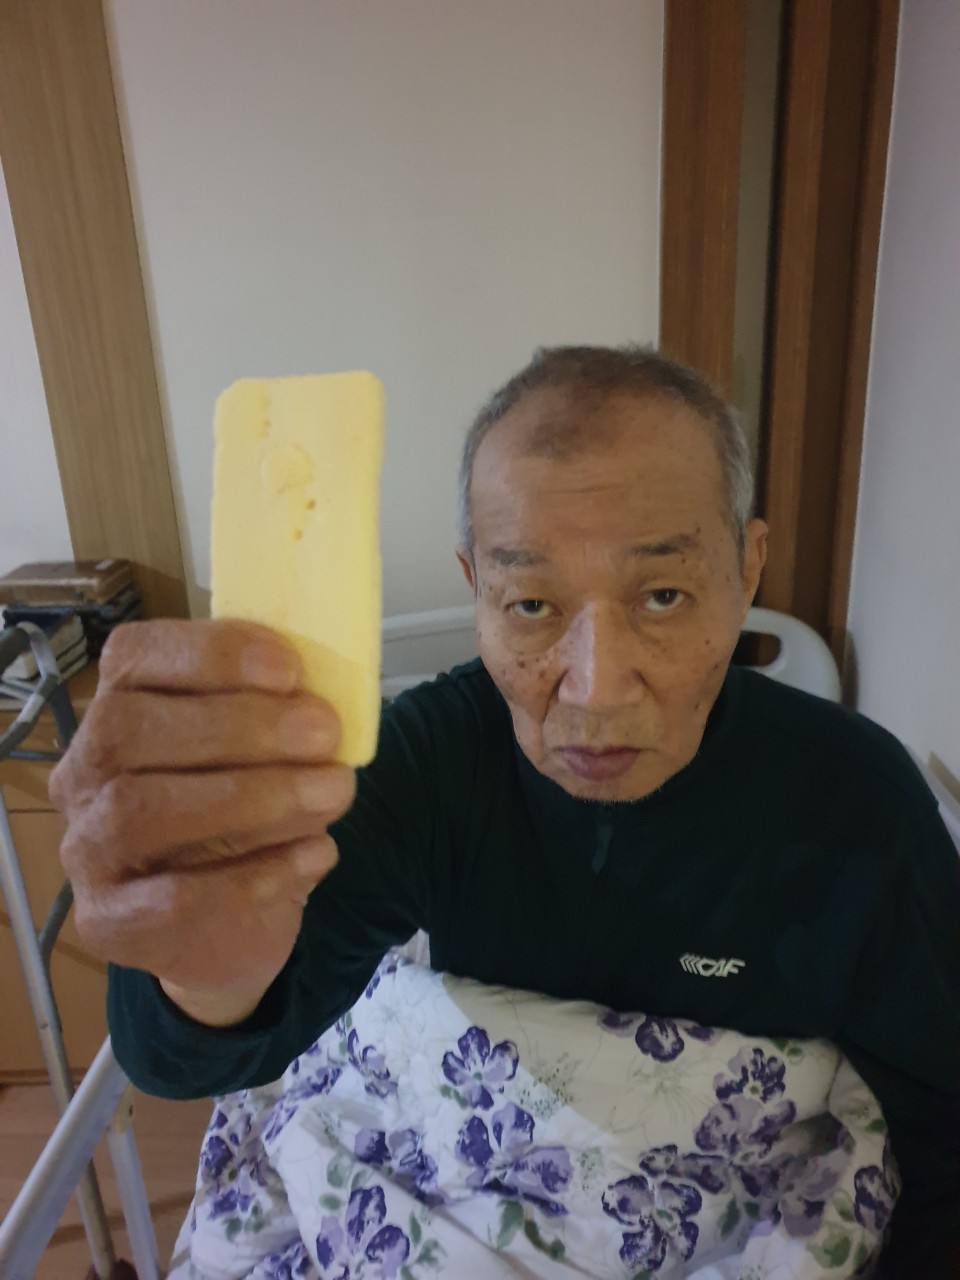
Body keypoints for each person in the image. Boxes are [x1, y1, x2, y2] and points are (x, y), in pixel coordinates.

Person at [52, 346, 959, 1277]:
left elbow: (943, 1145)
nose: (596, 689)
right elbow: (184, 1058)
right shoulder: (430, 763)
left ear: (747, 567)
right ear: (475, 585)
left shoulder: (863, 809)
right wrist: (201, 968)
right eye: (531, 603)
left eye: (662, 596)